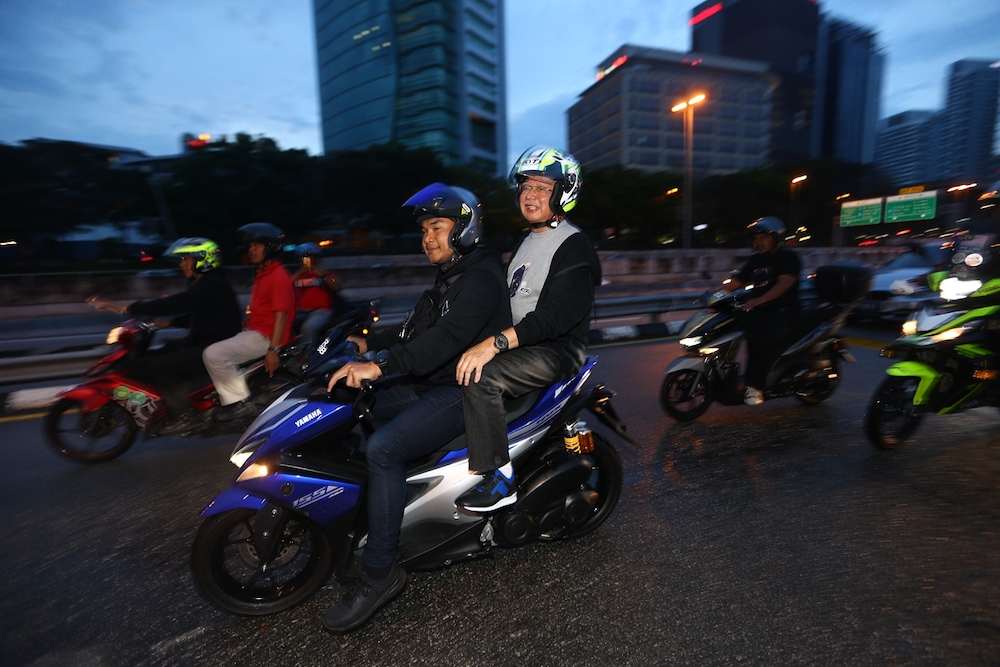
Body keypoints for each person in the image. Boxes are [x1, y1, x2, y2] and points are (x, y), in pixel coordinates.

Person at [321, 183, 510, 633]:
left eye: (437, 227)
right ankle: (384, 514)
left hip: (465, 390)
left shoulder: (481, 279)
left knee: (384, 449)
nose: (428, 238)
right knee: (358, 408)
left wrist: (378, 366)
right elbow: (413, 332)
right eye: (424, 230)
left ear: (464, 228)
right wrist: (366, 343)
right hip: (436, 382)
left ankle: (379, 573)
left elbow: (441, 344)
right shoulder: (450, 276)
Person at [454, 146, 601, 512]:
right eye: (526, 186)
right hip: (525, 343)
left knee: (482, 376)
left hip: (557, 350)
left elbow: (555, 318)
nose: (530, 194)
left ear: (563, 192)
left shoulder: (574, 245)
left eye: (542, 187)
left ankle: (500, 478)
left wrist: (494, 344)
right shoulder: (525, 242)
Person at [86, 237, 242, 434]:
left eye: (186, 259)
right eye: (182, 260)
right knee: (157, 354)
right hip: (203, 340)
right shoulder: (205, 284)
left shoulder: (212, 284)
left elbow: (178, 303)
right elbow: (203, 315)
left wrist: (128, 307)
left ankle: (184, 416)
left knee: (161, 366)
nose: (182, 264)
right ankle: (174, 403)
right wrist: (170, 322)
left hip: (214, 345)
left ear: (203, 259)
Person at [204, 222, 296, 422]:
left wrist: (273, 350)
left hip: (266, 337)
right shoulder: (264, 273)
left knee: (213, 354)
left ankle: (239, 402)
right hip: (255, 331)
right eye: (250, 246)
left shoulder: (278, 276)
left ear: (270, 247)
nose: (251, 250)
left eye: (256, 246)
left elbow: (281, 316)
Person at [723, 216, 801, 406]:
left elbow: (784, 284)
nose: (759, 242)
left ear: (776, 237)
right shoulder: (755, 260)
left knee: (763, 344)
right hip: (759, 310)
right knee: (736, 332)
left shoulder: (787, 258)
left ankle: (757, 386)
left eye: (763, 237)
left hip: (781, 311)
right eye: (755, 239)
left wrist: (760, 299)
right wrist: (714, 295)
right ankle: (739, 378)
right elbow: (737, 281)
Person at [291, 242, 342, 348]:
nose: (307, 260)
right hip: (300, 311)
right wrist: (300, 272)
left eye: (310, 257)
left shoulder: (325, 273)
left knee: (308, 327)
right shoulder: (297, 276)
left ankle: (307, 353)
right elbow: (284, 286)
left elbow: (336, 287)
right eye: (303, 257)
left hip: (321, 310)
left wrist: (323, 276)